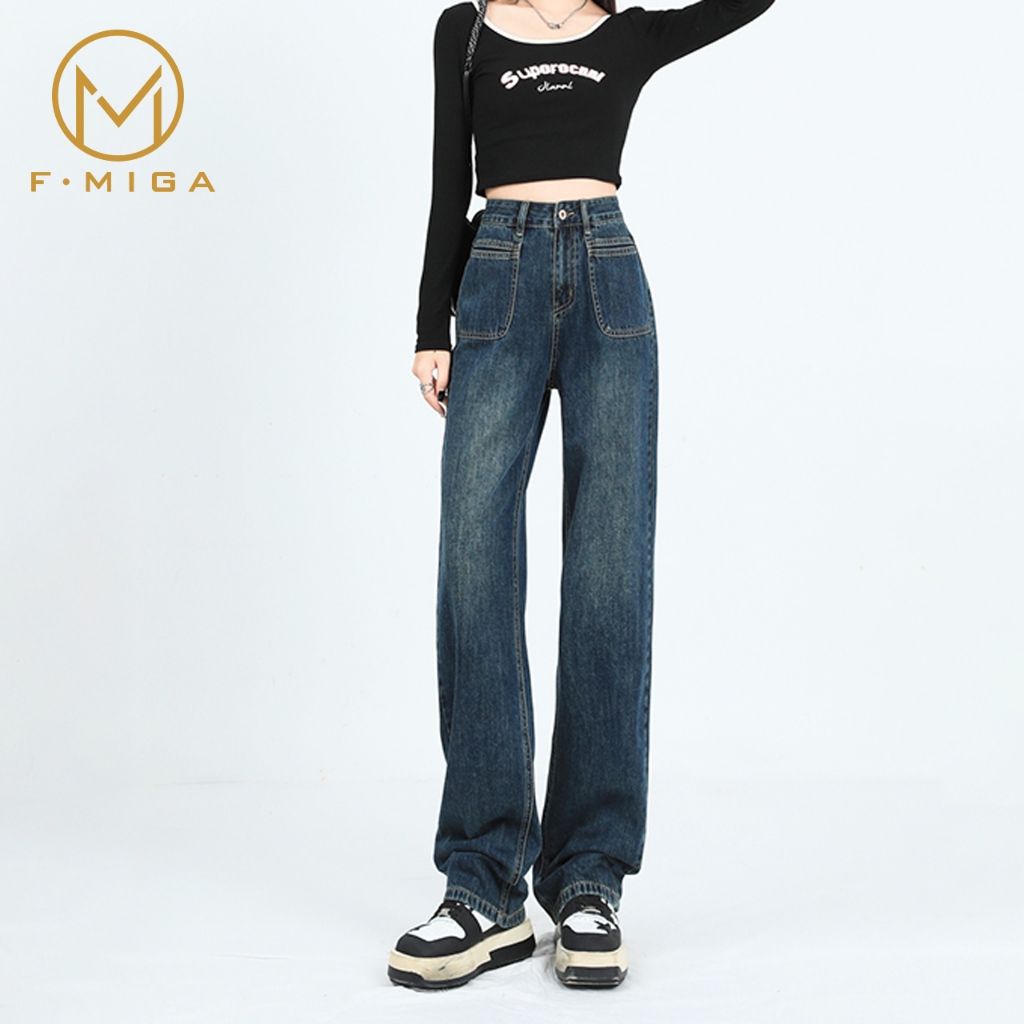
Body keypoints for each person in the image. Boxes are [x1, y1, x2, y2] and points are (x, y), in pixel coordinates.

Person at [389, 0, 776, 991]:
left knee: (608, 579)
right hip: (496, 276)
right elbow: (446, 179)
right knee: (473, 569)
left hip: (608, 279)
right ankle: (482, 887)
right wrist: (429, 325)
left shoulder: (631, 33)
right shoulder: (467, 29)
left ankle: (589, 880)